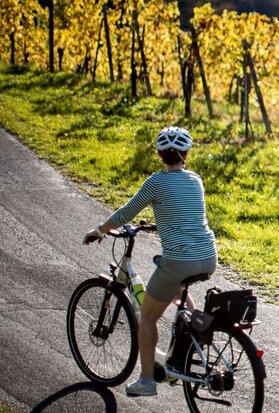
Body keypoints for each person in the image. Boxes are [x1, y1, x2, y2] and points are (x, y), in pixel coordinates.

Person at [82, 126, 217, 397]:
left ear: (159, 155)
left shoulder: (156, 182)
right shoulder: (196, 180)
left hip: (179, 261)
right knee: (177, 288)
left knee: (148, 316)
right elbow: (184, 214)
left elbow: (126, 213)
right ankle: (189, 337)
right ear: (186, 154)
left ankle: (146, 381)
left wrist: (100, 230)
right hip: (208, 257)